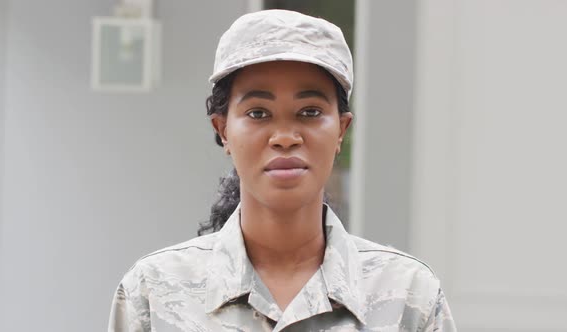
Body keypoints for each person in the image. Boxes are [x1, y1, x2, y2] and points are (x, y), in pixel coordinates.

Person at [108, 9, 456, 332]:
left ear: (341, 131)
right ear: (223, 130)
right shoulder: (152, 293)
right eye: (258, 113)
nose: (286, 137)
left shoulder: (409, 296)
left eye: (309, 112)